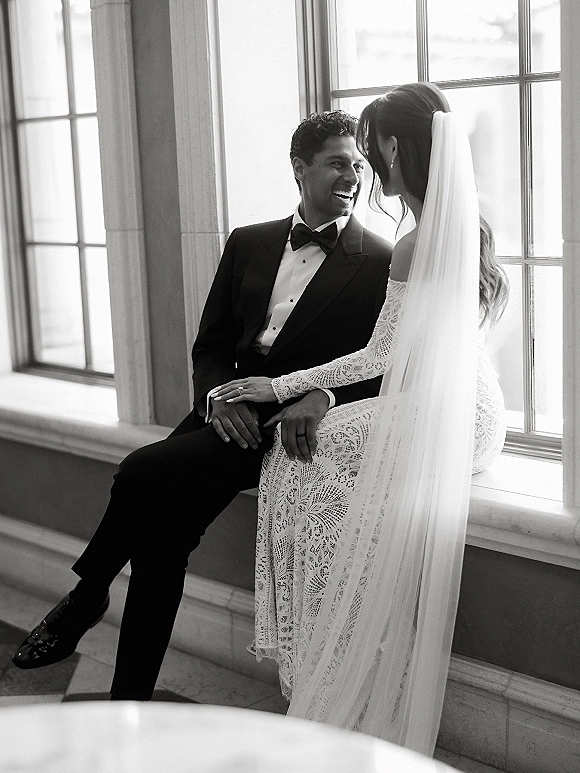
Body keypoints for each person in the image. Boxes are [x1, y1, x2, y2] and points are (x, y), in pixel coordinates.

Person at [12, 111, 393, 700]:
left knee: (140, 470)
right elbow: (211, 344)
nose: (353, 176)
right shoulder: (250, 241)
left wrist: (320, 393)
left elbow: (381, 362)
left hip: (284, 425)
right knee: (162, 545)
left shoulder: (380, 260)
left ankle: (87, 597)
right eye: (338, 162)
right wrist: (217, 397)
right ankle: (128, 702)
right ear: (300, 168)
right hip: (226, 411)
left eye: (359, 165)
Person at [212, 83, 509, 755]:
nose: (367, 166)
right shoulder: (460, 222)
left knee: (297, 460)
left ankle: (324, 658)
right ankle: (327, 646)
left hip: (443, 411)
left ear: (396, 147)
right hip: (474, 408)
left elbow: (380, 355)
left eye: (370, 149)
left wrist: (280, 382)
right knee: (307, 461)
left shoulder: (411, 244)